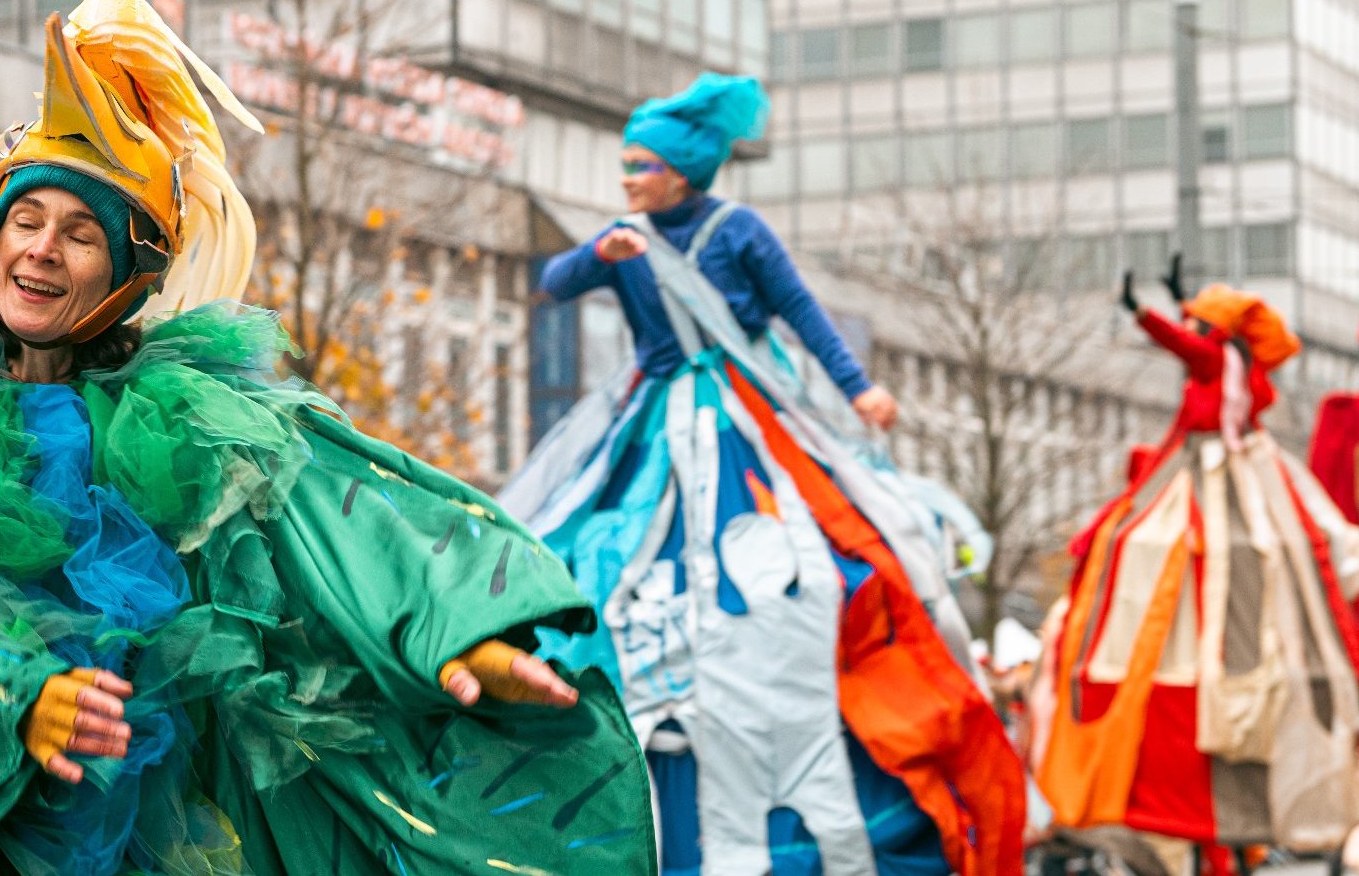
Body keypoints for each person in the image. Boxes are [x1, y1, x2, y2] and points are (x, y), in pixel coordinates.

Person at [0, 0, 653, 875]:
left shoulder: (188, 418)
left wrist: (455, 630)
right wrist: (15, 694)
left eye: (81, 231)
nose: (40, 248)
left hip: (160, 828)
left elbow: (339, 519)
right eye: (26, 219)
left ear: (130, 273)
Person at [499, 73, 1025, 876]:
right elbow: (554, 281)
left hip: (748, 420)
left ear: (682, 172)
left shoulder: (740, 230)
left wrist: (860, 389)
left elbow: (801, 312)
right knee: (596, 546)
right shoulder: (627, 235)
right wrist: (595, 252)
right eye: (625, 163)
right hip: (647, 430)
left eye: (640, 165)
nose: (626, 177)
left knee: (822, 561)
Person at [1038, 271, 1359, 850]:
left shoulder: (1218, 365)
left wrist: (1143, 312)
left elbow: (1186, 348)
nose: (1192, 332)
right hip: (1205, 465)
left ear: (1217, 334)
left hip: (1217, 467)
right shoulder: (1236, 369)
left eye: (1200, 324)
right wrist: (1178, 295)